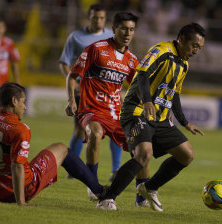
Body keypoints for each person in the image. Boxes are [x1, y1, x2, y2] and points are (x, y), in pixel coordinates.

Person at [96, 23, 206, 211]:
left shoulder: (184, 64)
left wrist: (185, 122)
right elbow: (144, 74)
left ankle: (149, 188)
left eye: (199, 48)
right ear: (181, 39)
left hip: (160, 118)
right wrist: (147, 100)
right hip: (137, 109)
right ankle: (107, 198)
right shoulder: (161, 50)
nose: (196, 50)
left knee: (186, 155)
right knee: (144, 153)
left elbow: (174, 94)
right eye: (194, 45)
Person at [66, 12, 150, 206]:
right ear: (114, 29)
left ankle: (141, 194)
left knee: (142, 147)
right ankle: (92, 183)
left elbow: (138, 87)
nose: (128, 33)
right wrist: (71, 101)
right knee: (94, 133)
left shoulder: (131, 60)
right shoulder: (96, 49)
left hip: (116, 114)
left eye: (131, 30)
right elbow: (72, 75)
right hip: (91, 109)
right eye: (124, 29)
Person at [0, 82, 106, 205]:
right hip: (22, 189)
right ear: (14, 101)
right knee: (62, 149)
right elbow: (17, 166)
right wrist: (21, 202)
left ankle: (97, 189)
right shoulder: (20, 129)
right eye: (23, 102)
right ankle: (100, 191)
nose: (25, 107)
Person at [59, 4, 122, 182]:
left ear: (105, 19)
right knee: (80, 130)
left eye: (102, 18)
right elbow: (64, 62)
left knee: (114, 128)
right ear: (89, 17)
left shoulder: (111, 37)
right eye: (95, 18)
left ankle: (116, 169)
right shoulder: (76, 37)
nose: (98, 21)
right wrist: (73, 83)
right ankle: (73, 168)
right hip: (84, 91)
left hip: (107, 93)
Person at [0, 19, 20, 87]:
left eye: (0, 27)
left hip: (3, 85)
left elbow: (14, 63)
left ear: (4, 28)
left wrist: (17, 82)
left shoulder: (9, 43)